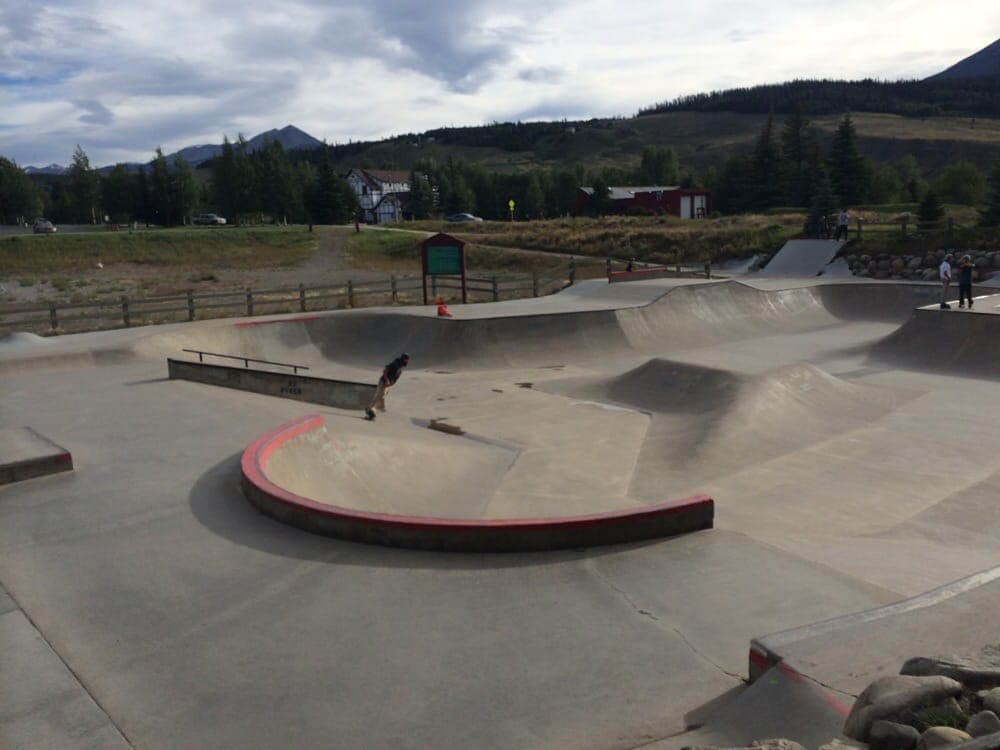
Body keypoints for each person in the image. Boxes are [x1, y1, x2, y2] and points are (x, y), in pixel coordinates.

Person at [365, 353, 409, 420]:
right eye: (406, 360)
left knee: (381, 397)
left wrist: (391, 384)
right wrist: (387, 380)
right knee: (379, 396)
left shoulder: (400, 367)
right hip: (383, 382)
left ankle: (372, 409)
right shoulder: (395, 364)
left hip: (388, 385)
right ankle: (370, 410)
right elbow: (385, 371)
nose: (407, 361)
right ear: (403, 359)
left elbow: (396, 378)